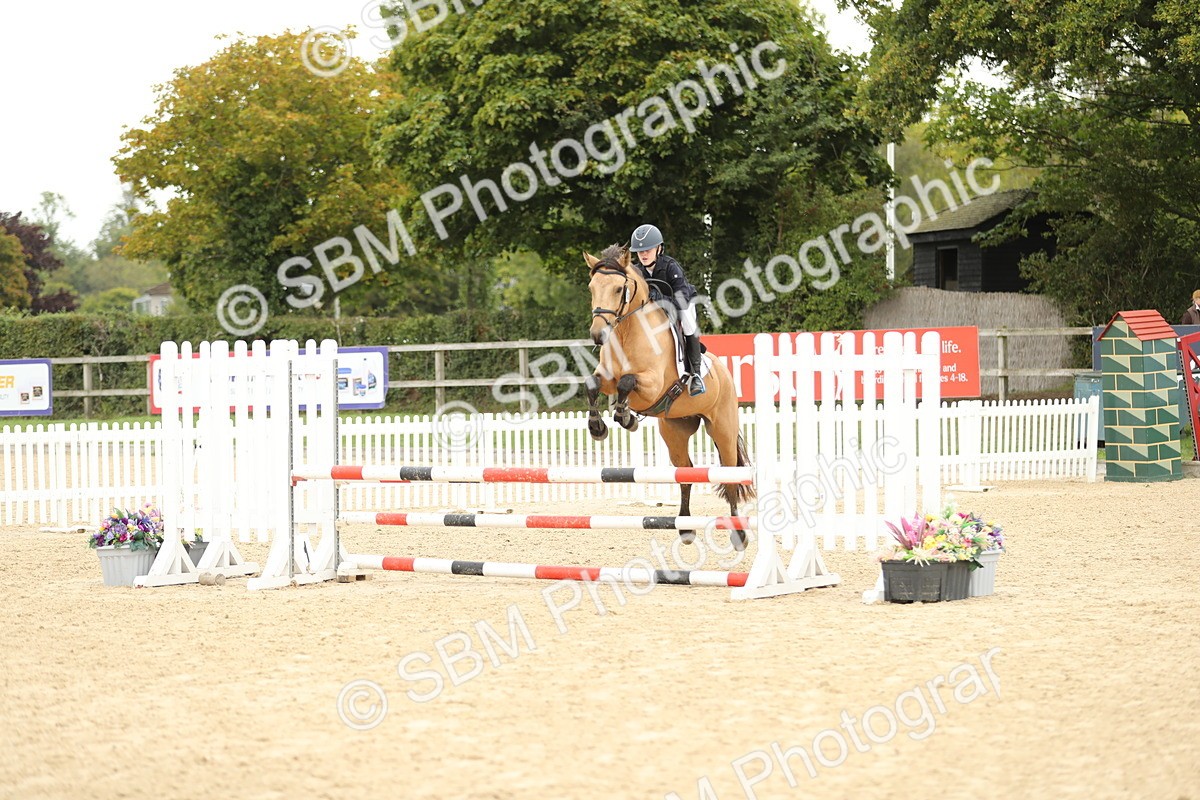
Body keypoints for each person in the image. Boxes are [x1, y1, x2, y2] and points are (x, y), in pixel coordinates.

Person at [628, 223, 706, 396]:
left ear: (659, 248)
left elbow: (682, 298)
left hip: (681, 304)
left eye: (648, 250)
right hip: (654, 314)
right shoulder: (637, 271)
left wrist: (661, 300)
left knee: (687, 322)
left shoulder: (671, 266)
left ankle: (696, 375)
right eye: (640, 251)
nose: (644, 254)